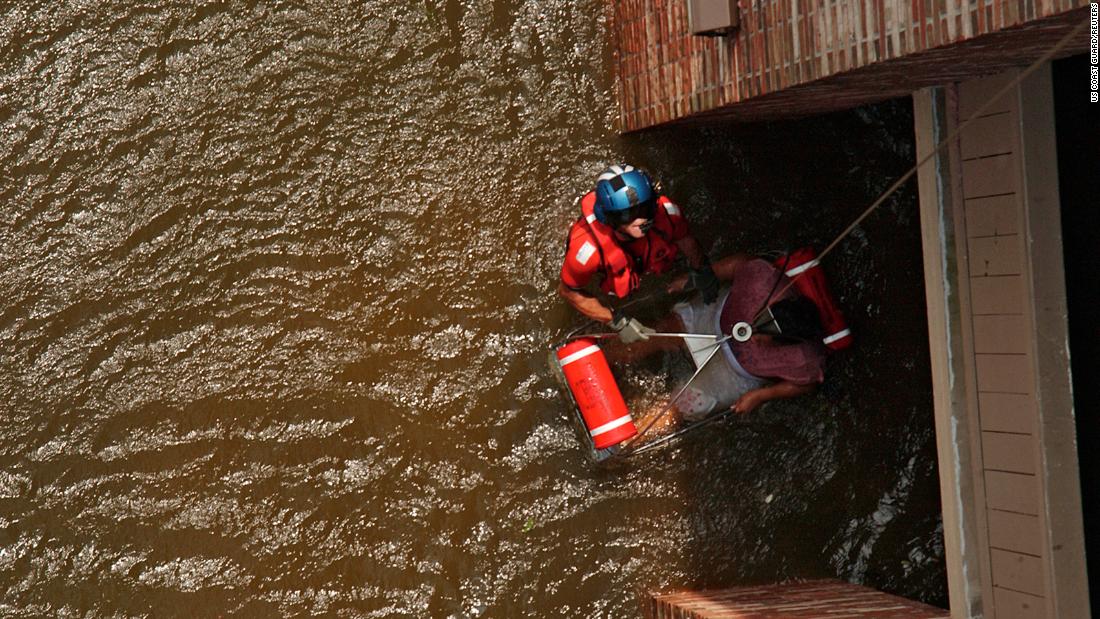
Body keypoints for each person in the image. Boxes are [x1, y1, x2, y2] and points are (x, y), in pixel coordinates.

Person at [648, 254, 828, 419]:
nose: (752, 332)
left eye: (762, 336)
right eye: (761, 319)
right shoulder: (762, 281)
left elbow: (807, 383)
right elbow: (736, 265)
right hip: (714, 317)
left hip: (734, 374)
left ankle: (631, 434)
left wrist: (761, 396)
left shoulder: (804, 358)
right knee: (655, 334)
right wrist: (698, 279)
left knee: (677, 409)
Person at [558, 164, 718, 343]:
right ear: (610, 218)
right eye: (627, 215)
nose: (641, 220)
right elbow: (568, 291)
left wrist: (702, 269)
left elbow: (686, 240)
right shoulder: (587, 252)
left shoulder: (668, 214)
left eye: (645, 209)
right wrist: (616, 321)